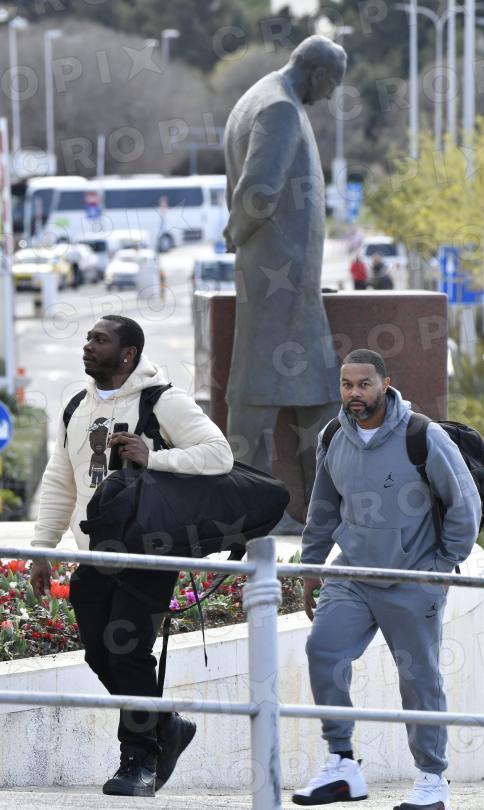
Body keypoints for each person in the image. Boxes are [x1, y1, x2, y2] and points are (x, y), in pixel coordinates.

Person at [30, 315, 234, 798]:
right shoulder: (77, 405)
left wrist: (153, 456)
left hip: (148, 554)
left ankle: (139, 760)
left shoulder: (163, 401)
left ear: (128, 354)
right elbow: (61, 479)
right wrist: (41, 549)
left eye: (100, 340)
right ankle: (167, 725)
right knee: (99, 654)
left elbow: (219, 453)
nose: (88, 345)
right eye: (88, 338)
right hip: (94, 555)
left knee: (128, 652)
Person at [292, 348, 481, 808]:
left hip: (412, 577)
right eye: (347, 385)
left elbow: (465, 505)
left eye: (364, 384)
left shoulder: (423, 435)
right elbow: (323, 506)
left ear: (385, 384)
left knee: (419, 678)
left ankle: (432, 780)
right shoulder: (333, 434)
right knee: (323, 651)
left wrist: (441, 566)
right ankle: (342, 766)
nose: (354, 393)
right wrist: (311, 566)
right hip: (353, 575)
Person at [222, 35, 346, 515]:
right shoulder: (280, 108)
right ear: (318, 74)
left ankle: (307, 510)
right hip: (279, 282)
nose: (330, 95)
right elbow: (258, 190)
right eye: (331, 85)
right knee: (260, 393)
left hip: (289, 281)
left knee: (315, 395)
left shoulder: (258, 97)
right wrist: (235, 233)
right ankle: (254, 513)